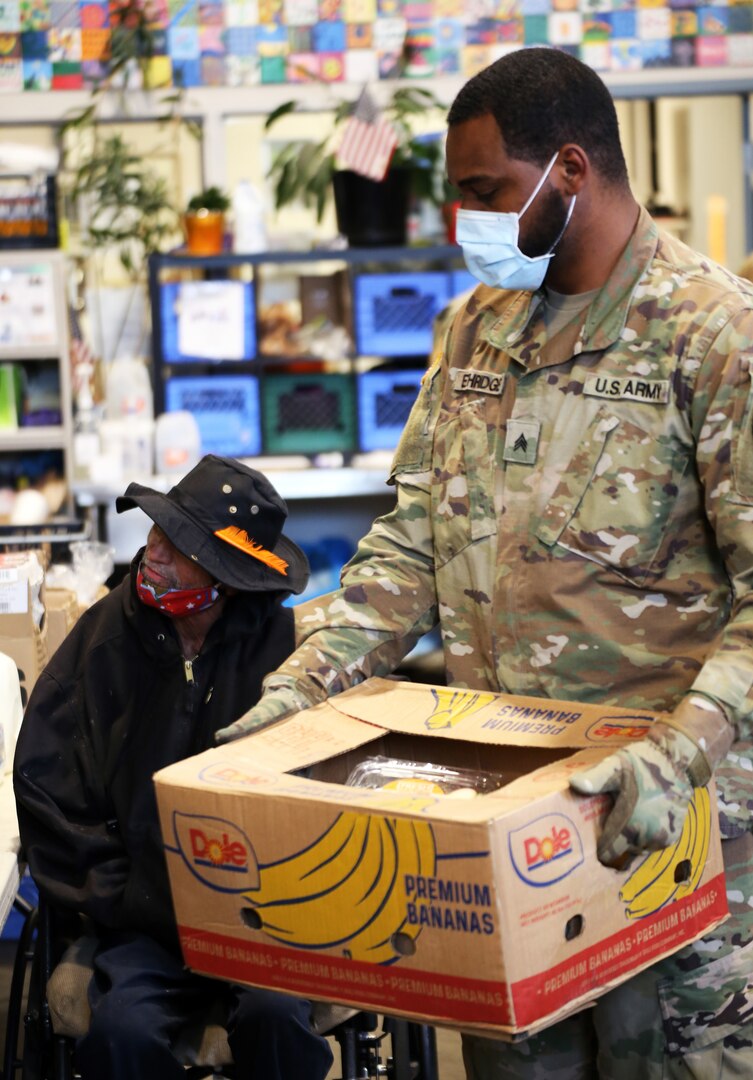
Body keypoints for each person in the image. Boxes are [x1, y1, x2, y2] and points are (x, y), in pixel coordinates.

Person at [215, 48, 753, 1078]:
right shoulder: (474, 331)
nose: (465, 221)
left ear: (570, 170)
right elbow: (410, 541)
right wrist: (300, 688)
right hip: (512, 841)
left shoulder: (715, 337)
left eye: (484, 193)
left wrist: (675, 753)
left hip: (675, 840)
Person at [14, 455, 334, 1080]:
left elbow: (329, 799)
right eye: (157, 533)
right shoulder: (101, 644)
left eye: (179, 546)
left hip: (264, 920)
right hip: (144, 924)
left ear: (229, 578)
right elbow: (49, 792)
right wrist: (130, 897)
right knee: (119, 1034)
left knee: (279, 1023)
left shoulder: (288, 660)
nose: (154, 553)